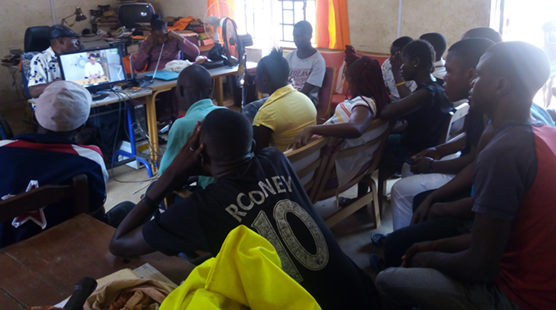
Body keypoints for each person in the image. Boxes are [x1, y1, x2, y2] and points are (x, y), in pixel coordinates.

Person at [108, 109, 382, 310]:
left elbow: (119, 243)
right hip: (361, 294)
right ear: (250, 146)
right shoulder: (275, 159)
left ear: (199, 157)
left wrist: (170, 176)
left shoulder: (200, 209)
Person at [375, 41, 556, 310]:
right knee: (418, 245)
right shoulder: (548, 133)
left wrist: (429, 257)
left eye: (479, 74)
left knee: (387, 280)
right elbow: (499, 236)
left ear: (501, 85)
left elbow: (480, 265)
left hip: (527, 298)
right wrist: (434, 245)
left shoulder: (506, 151)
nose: (473, 81)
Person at [0, 81, 130, 248]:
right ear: (81, 127)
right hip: (70, 246)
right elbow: (95, 211)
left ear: (34, 117)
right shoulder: (90, 159)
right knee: (128, 208)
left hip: (7, 249)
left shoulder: (3, 149)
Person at [386, 38, 494, 231]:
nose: (444, 77)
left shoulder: (482, 110)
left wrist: (434, 165)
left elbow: (474, 160)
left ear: (471, 75)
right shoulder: (475, 104)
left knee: (397, 183)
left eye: (449, 71)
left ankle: (400, 236)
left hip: (470, 179)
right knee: (405, 165)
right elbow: (470, 140)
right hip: (445, 154)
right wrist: (438, 149)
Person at [290, 50, 388, 186]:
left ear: (355, 82)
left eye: (347, 80)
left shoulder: (362, 103)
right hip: (327, 162)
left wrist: (312, 128)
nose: (346, 85)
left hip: (318, 171)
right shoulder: (376, 102)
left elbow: (356, 127)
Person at [379, 40, 453, 166]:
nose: (401, 66)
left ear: (416, 62)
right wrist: (390, 130)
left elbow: (385, 113)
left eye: (403, 62)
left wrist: (396, 73)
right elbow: (418, 122)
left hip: (414, 150)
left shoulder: (426, 92)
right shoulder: (437, 85)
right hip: (423, 142)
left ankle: (357, 178)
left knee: (369, 143)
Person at [242, 21, 325, 120]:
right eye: (294, 36)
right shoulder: (290, 56)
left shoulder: (318, 60)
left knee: (266, 113)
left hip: (305, 101)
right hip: (284, 97)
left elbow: (306, 91)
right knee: (249, 109)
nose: (297, 40)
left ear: (310, 36)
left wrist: (280, 100)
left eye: (300, 36)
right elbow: (281, 80)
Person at [158, 64, 222, 189]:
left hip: (210, 195)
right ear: (211, 90)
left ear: (180, 91)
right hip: (236, 189)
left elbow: (166, 172)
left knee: (155, 188)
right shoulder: (227, 113)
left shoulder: (182, 125)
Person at [134, 14, 200, 123]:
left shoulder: (174, 41)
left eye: (163, 36)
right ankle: (163, 117)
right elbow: (138, 67)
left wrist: (178, 37)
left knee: (173, 90)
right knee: (161, 93)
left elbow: (195, 52)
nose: (160, 40)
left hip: (173, 74)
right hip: (154, 77)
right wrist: (149, 48)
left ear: (168, 32)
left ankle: (171, 117)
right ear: (151, 34)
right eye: (157, 36)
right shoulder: (147, 44)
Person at [252, 49, 316, 151]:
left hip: (285, 165)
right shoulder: (307, 101)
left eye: (255, 76)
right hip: (309, 162)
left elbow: (259, 158)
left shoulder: (265, 115)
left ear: (265, 80)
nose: (254, 79)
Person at [27, 25, 81, 98]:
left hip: (73, 99)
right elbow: (33, 91)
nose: (77, 43)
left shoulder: (74, 56)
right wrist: (62, 81)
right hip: (52, 104)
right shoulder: (40, 59)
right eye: (74, 39)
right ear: (61, 41)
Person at [381, 36, 417, 101]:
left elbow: (410, 99)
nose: (391, 58)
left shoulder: (415, 69)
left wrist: (396, 72)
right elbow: (383, 89)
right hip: (392, 100)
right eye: (391, 54)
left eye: (396, 56)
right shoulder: (387, 64)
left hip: (409, 103)